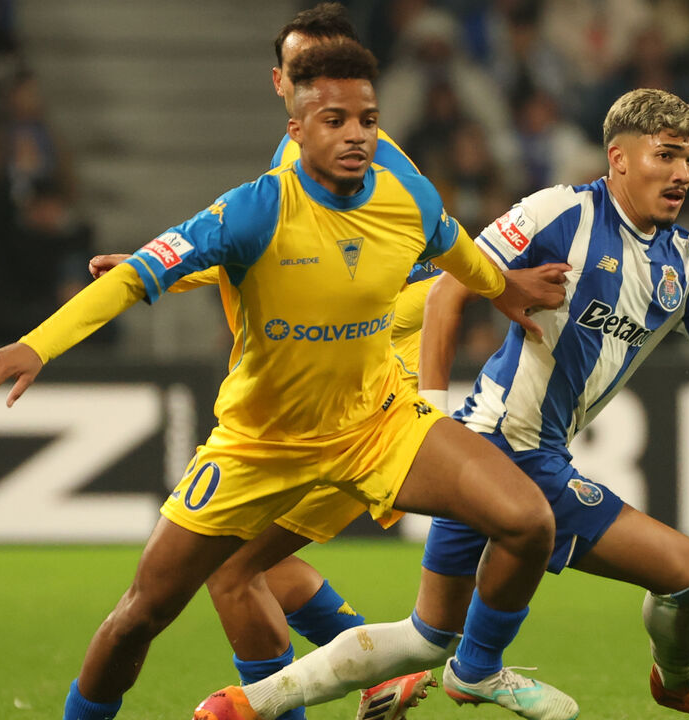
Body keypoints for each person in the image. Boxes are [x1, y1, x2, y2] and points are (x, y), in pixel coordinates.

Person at [0, 41, 577, 720]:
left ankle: (470, 668)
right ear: (296, 127)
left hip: (376, 424)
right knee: (142, 615)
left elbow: (456, 248)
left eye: (366, 120)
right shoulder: (254, 208)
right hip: (260, 445)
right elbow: (136, 278)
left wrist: (504, 286)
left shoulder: (409, 198)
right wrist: (38, 346)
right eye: (335, 120)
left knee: (526, 520)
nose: (356, 135)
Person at [202, 88, 689, 720]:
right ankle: (678, 685)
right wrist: (429, 413)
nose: (682, 171)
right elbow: (448, 291)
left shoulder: (686, 265)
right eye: (666, 154)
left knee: (426, 636)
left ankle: (244, 705)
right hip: (498, 444)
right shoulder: (558, 212)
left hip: (527, 452)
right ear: (620, 158)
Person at [87, 7, 452, 718]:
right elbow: (250, 255)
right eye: (297, 69)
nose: (309, 80)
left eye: (325, 66)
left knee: (232, 569)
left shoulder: (370, 159)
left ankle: (326, 684)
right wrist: (158, 269)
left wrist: (423, 380)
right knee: (247, 565)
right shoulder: (295, 162)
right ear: (281, 81)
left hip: (359, 403)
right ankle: (373, 664)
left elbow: (447, 272)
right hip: (310, 401)